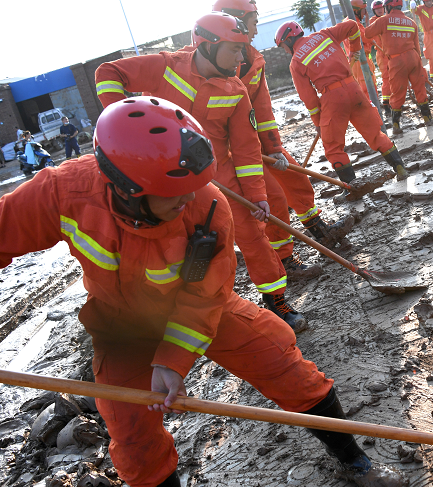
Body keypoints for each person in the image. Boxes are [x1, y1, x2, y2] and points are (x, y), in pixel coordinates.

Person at [0, 97, 409, 487]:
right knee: (132, 434)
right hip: (121, 328)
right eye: (175, 194)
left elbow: (206, 292)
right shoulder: (61, 191)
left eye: (194, 186)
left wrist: (172, 358)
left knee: (282, 363)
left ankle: (354, 459)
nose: (190, 199)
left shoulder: (206, 204)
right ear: (128, 188)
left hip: (202, 308)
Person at [96, 12, 307, 332]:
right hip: (164, 181)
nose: (241, 56)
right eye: (234, 49)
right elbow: (108, 72)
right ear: (208, 46)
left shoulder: (235, 91)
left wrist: (256, 195)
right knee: (175, 248)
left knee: (253, 238)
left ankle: (276, 302)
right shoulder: (165, 66)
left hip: (218, 178)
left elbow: (247, 150)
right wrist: (122, 116)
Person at [212, 0, 355, 253]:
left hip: (255, 141)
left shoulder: (253, 60)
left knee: (295, 177)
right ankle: (285, 257)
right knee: (273, 200)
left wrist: (275, 148)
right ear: (234, 21)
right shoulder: (203, 65)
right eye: (254, 23)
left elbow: (263, 110)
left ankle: (321, 232)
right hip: (229, 153)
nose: (256, 31)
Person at [276, 20, 409, 184]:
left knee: (333, 147)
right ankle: (400, 167)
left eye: (283, 46)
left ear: (288, 40)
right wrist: (355, 50)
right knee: (375, 134)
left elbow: (309, 98)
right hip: (354, 89)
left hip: (332, 98)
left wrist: (319, 123)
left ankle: (352, 186)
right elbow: (352, 26)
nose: (285, 50)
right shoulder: (324, 35)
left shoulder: (296, 62)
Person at [365, 0, 433, 134]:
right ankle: (428, 118)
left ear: (389, 6)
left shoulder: (383, 20)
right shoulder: (411, 22)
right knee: (419, 88)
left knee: (397, 92)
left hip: (397, 60)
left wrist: (365, 22)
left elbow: (367, 34)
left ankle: (396, 125)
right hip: (414, 57)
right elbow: (417, 47)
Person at [340, 0, 379, 103]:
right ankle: (374, 113)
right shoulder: (354, 24)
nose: (365, 13)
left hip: (357, 60)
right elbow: (367, 37)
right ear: (356, 11)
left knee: (365, 87)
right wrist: (367, 23)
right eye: (363, 10)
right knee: (368, 89)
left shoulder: (347, 22)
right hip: (360, 61)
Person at [369, 0, 393, 119]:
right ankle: (386, 104)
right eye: (377, 9)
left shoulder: (387, 18)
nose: (380, 10)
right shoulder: (373, 21)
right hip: (381, 54)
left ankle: (394, 102)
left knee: (395, 77)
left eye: (381, 8)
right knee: (386, 78)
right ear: (374, 11)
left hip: (391, 53)